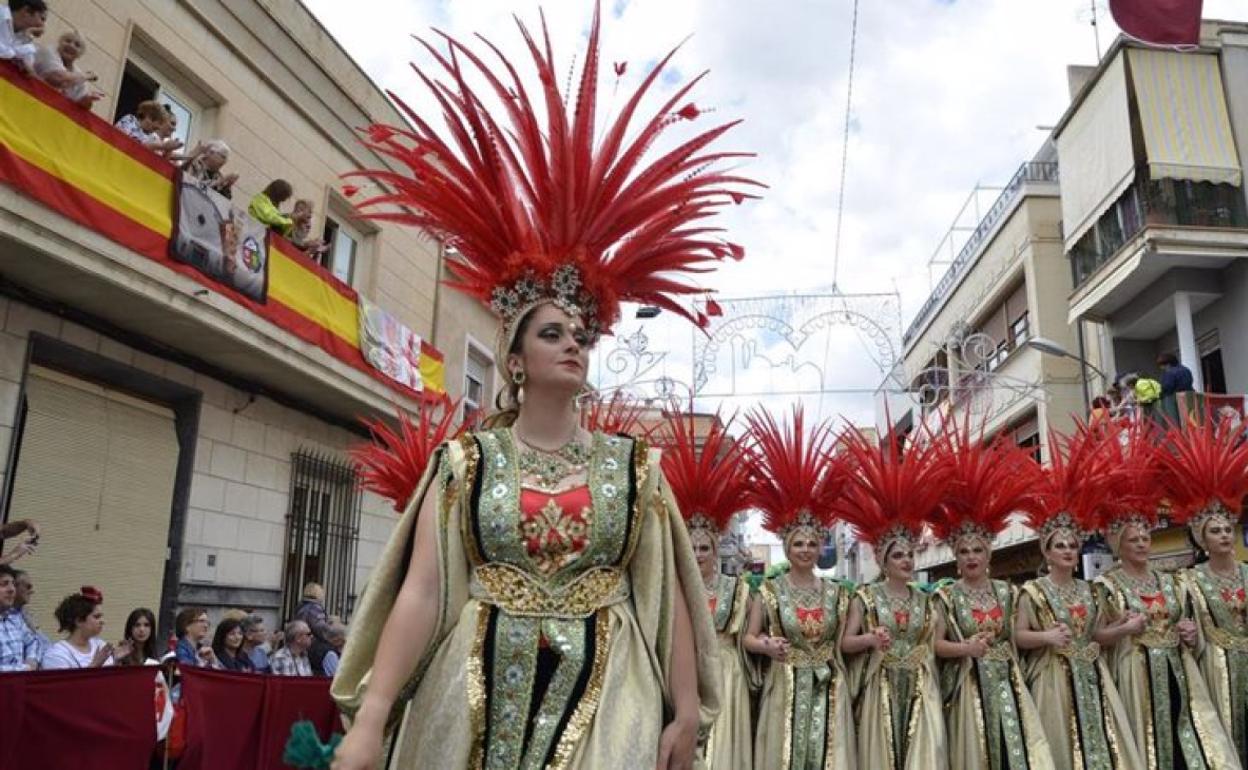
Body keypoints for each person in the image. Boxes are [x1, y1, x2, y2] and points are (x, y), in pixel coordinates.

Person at [328, 8, 749, 769]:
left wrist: (686, 713)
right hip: (472, 691)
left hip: (611, 689)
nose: (574, 346)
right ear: (514, 360)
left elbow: (668, 597)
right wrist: (373, 716)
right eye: (552, 333)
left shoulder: (634, 470)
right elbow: (422, 593)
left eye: (581, 335)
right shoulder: (465, 466)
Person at [1093, 425, 1239, 770]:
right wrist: (1126, 629)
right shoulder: (1107, 585)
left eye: (1145, 538)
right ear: (1119, 546)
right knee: (1149, 745)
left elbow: (1189, 624)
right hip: (1135, 673)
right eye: (1134, 540)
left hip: (1177, 669)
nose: (1143, 544)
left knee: (1187, 741)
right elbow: (1096, 635)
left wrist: (1189, 634)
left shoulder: (1172, 582)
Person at [1015, 429, 1143, 770]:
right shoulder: (1033, 591)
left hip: (1092, 674)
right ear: (1047, 551)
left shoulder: (1091, 590)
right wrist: (1046, 637)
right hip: (1053, 678)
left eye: (1073, 545)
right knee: (1060, 748)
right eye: (1061, 546)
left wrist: (1123, 627)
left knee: (1100, 746)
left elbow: (1098, 634)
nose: (1069, 551)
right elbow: (1018, 635)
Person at [929, 427, 1055, 770]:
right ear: (956, 557)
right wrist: (965, 649)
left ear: (988, 555)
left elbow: (1017, 635)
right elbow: (936, 644)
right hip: (968, 686)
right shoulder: (946, 597)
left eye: (978, 551)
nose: (971, 557)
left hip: (1010, 682)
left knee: (1015, 751)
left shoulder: (1008, 592)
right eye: (965, 551)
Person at [741, 407, 857, 770]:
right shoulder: (770, 591)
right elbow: (748, 636)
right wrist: (765, 644)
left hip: (828, 685)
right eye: (798, 544)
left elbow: (846, 642)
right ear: (787, 548)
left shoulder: (839, 593)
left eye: (811, 543)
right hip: (785, 688)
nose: (806, 550)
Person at [836, 427, 949, 770]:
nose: (906, 561)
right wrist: (869, 638)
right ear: (884, 562)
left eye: (909, 555)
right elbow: (844, 642)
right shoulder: (866, 598)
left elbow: (936, 643)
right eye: (898, 556)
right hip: (880, 687)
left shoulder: (927, 600)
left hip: (919, 686)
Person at [657, 406, 754, 770]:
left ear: (716, 550)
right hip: (684, 673)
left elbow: (747, 635)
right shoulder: (674, 588)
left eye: (705, 548)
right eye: (693, 547)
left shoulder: (738, 589)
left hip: (726, 675)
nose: (698, 555)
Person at [1158, 418, 1248, 767]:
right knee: (1224, 738)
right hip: (1215, 666)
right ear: (1201, 538)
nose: (1225, 535)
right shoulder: (1189, 581)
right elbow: (1187, 631)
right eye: (1216, 530)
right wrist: (1189, 635)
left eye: (1228, 528)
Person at [41, 586, 131, 669]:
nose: (103, 621)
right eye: (96, 617)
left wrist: (116, 660)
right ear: (79, 621)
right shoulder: (56, 655)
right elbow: (65, 685)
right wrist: (95, 665)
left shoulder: (100, 645)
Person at [33, 30, 101, 107]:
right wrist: (87, 76)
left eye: (77, 45)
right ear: (60, 43)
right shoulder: (49, 52)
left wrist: (89, 99)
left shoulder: (79, 74)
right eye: (67, 41)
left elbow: (81, 104)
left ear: (80, 54)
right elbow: (58, 80)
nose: (71, 46)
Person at [0, 564, 41, 671]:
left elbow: (33, 642)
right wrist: (24, 669)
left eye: (13, 584)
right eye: (4, 584)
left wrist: (31, 660)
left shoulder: (15, 620)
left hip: (19, 684)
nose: (12, 589)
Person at [115, 100, 182, 156]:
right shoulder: (130, 119)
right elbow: (126, 143)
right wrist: (161, 146)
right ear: (149, 117)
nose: (159, 127)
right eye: (159, 123)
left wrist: (168, 150)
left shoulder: (151, 136)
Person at [12, 569, 49, 660]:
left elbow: (44, 644)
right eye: (28, 586)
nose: (32, 591)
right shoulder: (7, 620)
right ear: (14, 587)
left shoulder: (26, 614)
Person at [0, 0, 45, 74]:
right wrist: (15, 55)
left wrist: (28, 37)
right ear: (26, 11)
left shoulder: (22, 34)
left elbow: (29, 69)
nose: (42, 26)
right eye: (42, 19)